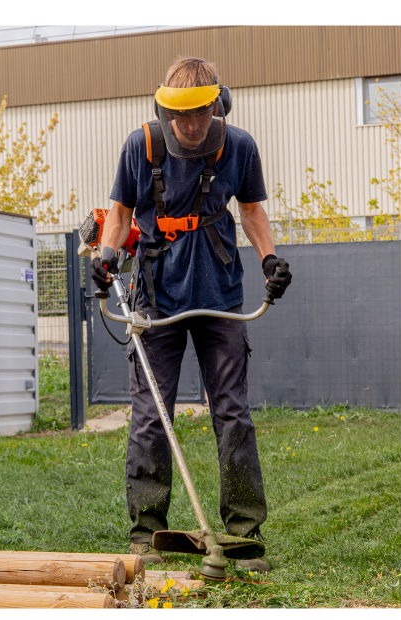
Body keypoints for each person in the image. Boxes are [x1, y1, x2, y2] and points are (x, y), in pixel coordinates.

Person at [89, 57, 292, 573]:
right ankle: (146, 533)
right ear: (165, 111)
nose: (192, 125)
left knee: (232, 412)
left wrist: (269, 259)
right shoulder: (141, 146)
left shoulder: (239, 146)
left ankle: (244, 533)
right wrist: (106, 256)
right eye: (182, 115)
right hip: (155, 297)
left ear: (218, 105)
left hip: (219, 293)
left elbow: (251, 210)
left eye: (202, 113)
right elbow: (120, 214)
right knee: (151, 416)